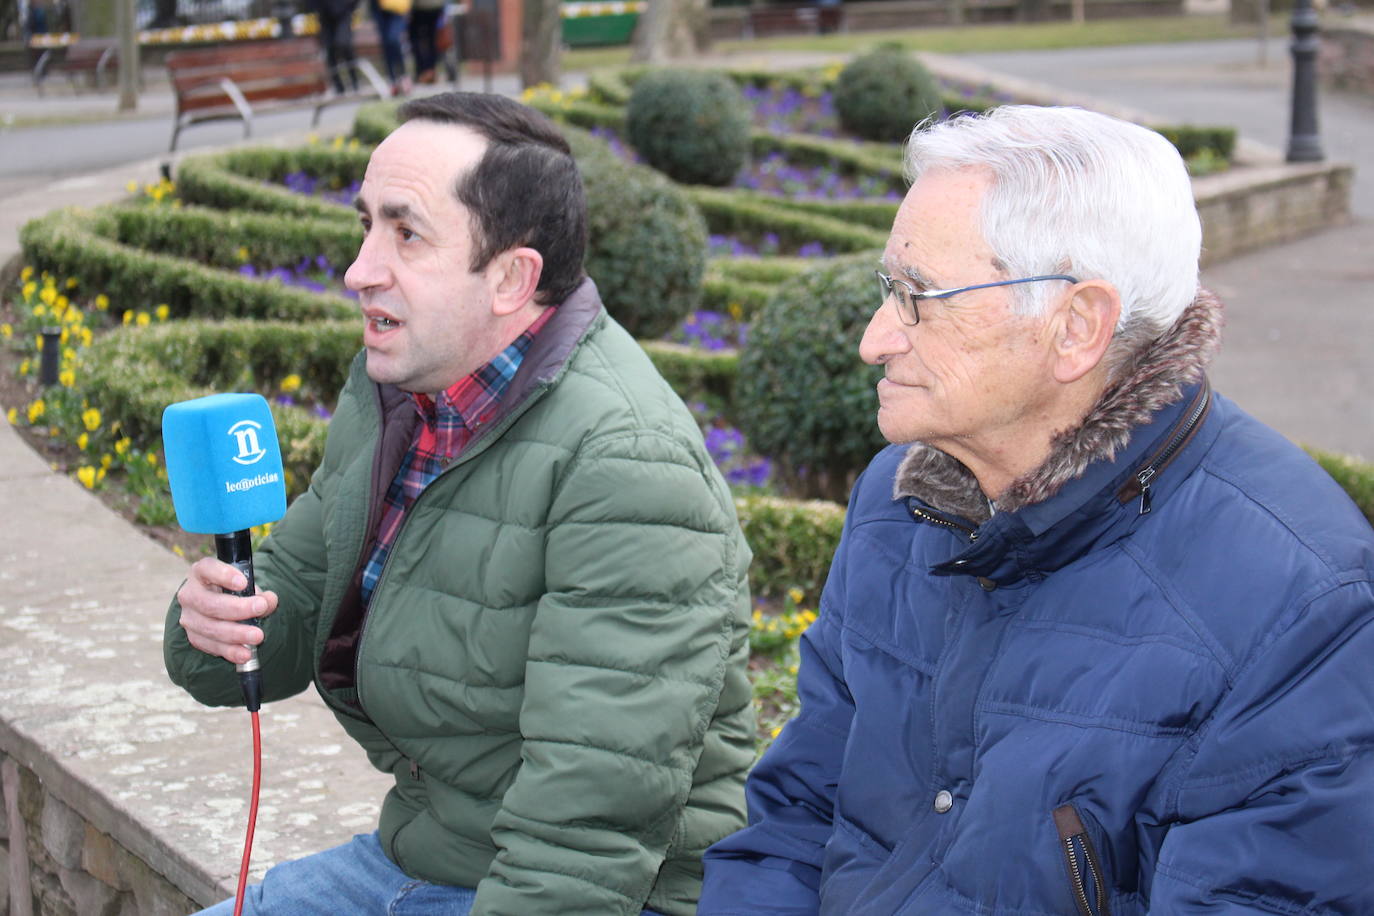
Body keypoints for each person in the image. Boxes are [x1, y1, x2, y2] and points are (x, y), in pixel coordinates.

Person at [699, 105, 1374, 913]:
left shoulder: (1302, 606)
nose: (875, 339)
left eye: (920, 296)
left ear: (1077, 326)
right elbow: (797, 820)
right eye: (890, 288)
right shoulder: (894, 501)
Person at [165, 91, 755, 916]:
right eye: (365, 223)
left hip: (598, 893)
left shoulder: (627, 465)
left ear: (512, 278)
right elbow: (293, 593)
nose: (359, 269)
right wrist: (217, 622)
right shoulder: (397, 388)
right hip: (432, 852)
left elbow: (587, 836)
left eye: (405, 233)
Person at [309, 0, 361, 95]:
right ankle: (338, 86)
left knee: (344, 44)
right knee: (330, 50)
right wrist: (315, 8)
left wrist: (350, 6)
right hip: (324, 16)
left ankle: (355, 80)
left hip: (343, 13)